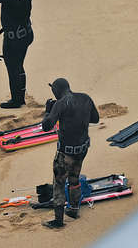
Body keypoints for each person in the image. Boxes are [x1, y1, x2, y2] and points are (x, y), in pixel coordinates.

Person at [41, 78, 100, 229]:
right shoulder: (85, 98)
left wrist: (48, 110)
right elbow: (95, 119)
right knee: (74, 179)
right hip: (82, 149)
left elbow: (46, 126)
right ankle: (73, 210)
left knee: (59, 183)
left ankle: (58, 221)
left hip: (65, 152)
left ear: (56, 91)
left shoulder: (60, 104)